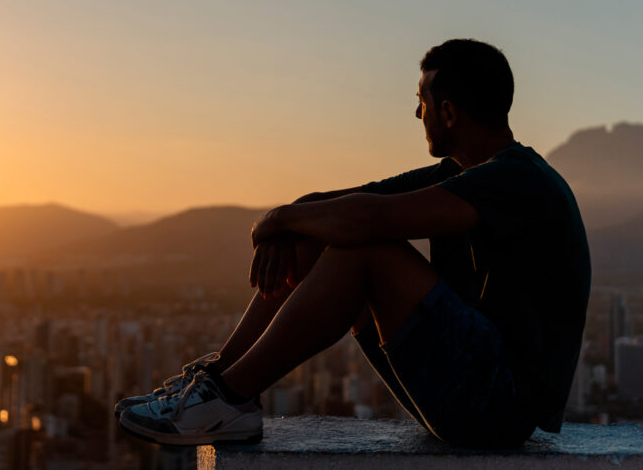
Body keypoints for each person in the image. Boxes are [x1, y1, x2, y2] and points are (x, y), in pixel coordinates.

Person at [116, 39, 590, 448]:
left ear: (449, 112)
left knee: (365, 247)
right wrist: (291, 226)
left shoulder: (518, 181)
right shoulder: (461, 175)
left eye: (421, 100)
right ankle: (221, 381)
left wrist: (280, 219)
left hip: (499, 406)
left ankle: (227, 399)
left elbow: (367, 218)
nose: (416, 113)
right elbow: (338, 204)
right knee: (320, 239)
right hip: (465, 388)